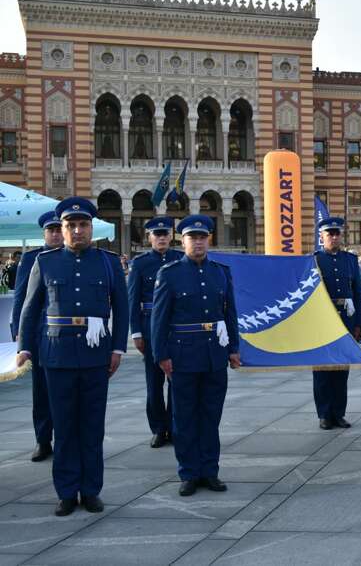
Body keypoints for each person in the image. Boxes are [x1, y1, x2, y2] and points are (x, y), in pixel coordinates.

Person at [15, 197, 128, 516]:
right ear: (62, 229)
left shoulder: (107, 262)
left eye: (83, 225)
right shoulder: (46, 262)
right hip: (57, 355)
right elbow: (30, 307)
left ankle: (91, 490)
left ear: (92, 228)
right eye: (70, 226)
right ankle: (66, 491)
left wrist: (118, 347)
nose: (77, 231)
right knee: (64, 427)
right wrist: (25, 345)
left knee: (92, 426)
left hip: (96, 355)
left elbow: (121, 307)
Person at [151, 214, 241, 497]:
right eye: (192, 238)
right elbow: (159, 319)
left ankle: (210, 470)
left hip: (214, 354)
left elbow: (230, 313)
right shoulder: (170, 273)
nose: (198, 242)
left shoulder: (220, 272)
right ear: (183, 240)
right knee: (185, 417)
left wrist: (234, 348)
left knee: (211, 415)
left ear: (209, 239)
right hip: (183, 355)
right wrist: (161, 354)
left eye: (202, 237)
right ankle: (188, 472)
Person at [127, 217, 184, 448]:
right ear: (149, 237)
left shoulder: (179, 259)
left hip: (175, 327)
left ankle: (174, 425)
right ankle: (159, 428)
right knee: (154, 382)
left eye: (165, 234)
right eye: (156, 234)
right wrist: (136, 333)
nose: (161, 238)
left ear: (171, 236)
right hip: (150, 327)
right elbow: (132, 300)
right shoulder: (140, 264)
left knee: (177, 380)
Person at [11, 211, 63, 462]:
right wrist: (20, 334)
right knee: (41, 392)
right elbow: (21, 298)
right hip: (41, 335)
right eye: (50, 230)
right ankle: (43, 440)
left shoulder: (73, 257)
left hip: (65, 336)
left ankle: (64, 439)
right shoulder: (33, 258)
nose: (54, 234)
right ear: (44, 233)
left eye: (57, 229)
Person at [313, 217, 361, 430]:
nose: (334, 237)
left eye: (336, 234)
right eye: (329, 234)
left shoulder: (350, 260)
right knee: (323, 369)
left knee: (342, 369)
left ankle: (339, 413)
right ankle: (325, 414)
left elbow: (359, 292)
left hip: (345, 318)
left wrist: (359, 322)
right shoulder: (314, 260)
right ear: (322, 237)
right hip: (322, 321)